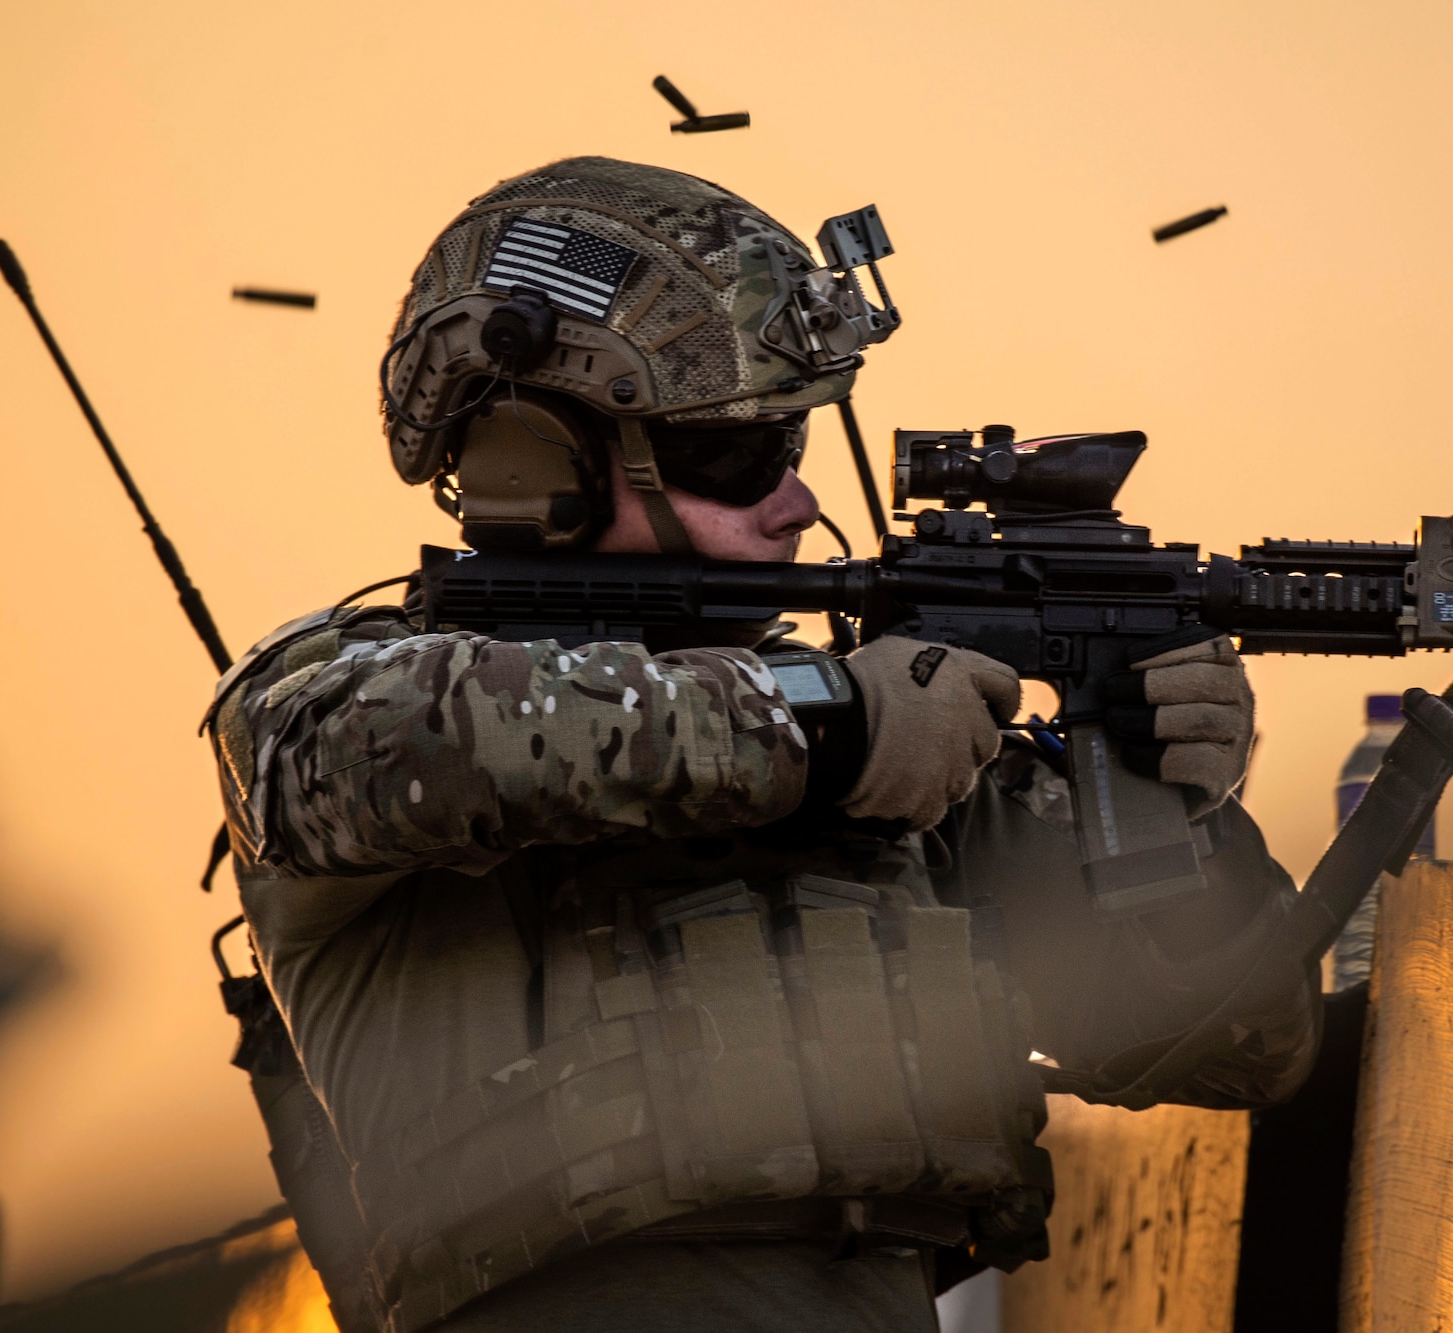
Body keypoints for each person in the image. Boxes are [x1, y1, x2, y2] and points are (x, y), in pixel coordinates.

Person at [207, 157, 1317, 1333]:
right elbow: (395, 747)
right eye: (735, 457)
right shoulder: (333, 697)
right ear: (536, 454)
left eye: (790, 448)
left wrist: (1163, 794)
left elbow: (1237, 1046)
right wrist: (827, 724)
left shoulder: (911, 747)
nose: (791, 503)